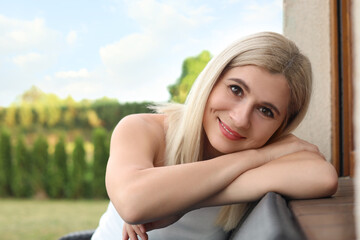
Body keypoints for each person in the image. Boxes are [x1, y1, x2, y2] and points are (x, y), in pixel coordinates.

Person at [91, 32, 338, 240]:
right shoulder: (143, 129)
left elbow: (323, 177)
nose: (241, 119)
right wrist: (259, 156)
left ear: (282, 125)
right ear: (212, 80)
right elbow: (133, 202)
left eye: (266, 111)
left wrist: (184, 202)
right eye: (236, 89)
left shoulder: (268, 160)